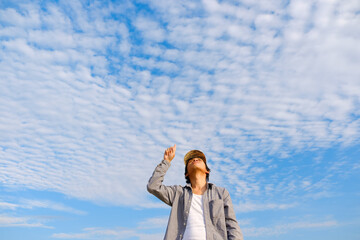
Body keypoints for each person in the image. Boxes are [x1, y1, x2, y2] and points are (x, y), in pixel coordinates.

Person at [147, 144, 243, 240]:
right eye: (191, 161)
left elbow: (232, 225)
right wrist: (166, 161)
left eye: (199, 159)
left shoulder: (221, 193)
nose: (195, 160)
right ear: (186, 174)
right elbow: (153, 186)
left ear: (207, 170)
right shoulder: (178, 193)